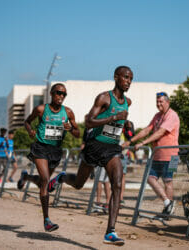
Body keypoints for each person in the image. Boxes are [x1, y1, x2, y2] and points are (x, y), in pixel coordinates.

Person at [48, 66, 133, 245]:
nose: (128, 81)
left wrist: (126, 126)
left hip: (112, 148)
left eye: (131, 79)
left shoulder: (128, 102)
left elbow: (120, 123)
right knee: (79, 183)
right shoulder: (104, 98)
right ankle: (62, 177)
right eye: (125, 77)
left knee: (117, 184)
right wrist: (113, 117)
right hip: (95, 146)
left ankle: (110, 231)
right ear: (116, 77)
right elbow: (88, 122)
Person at [17, 83, 80, 232]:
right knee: (45, 180)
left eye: (64, 94)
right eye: (58, 93)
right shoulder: (41, 109)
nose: (61, 96)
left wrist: (71, 129)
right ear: (52, 94)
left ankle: (27, 177)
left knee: (42, 183)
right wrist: (30, 130)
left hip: (55, 150)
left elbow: (78, 134)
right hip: (40, 148)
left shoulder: (68, 112)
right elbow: (27, 121)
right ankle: (46, 220)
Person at [123, 91, 180, 218]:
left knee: (168, 181)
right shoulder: (157, 116)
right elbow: (147, 130)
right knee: (150, 178)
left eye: (161, 101)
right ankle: (167, 204)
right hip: (158, 154)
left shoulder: (172, 115)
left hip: (171, 154)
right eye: (157, 101)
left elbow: (161, 132)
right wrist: (131, 141)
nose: (159, 104)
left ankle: (168, 212)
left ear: (167, 102)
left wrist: (143, 142)